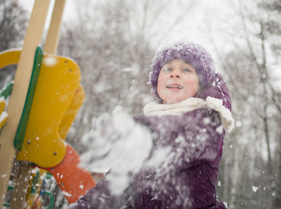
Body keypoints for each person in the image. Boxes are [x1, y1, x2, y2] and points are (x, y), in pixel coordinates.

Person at [71, 41, 234, 208]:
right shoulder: (149, 127)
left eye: (186, 69)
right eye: (167, 69)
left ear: (201, 85)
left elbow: (178, 139)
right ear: (157, 81)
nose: (175, 74)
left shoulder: (208, 121)